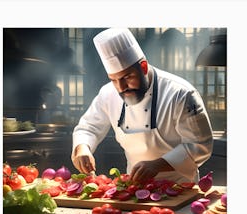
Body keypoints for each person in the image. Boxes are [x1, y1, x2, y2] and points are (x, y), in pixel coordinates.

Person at [71, 28, 213, 184]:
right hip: (134, 187)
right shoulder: (108, 93)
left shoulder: (181, 94)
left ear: (143, 67)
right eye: (114, 79)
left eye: (128, 77)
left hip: (179, 186)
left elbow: (200, 145)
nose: (122, 86)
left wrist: (157, 165)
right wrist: (82, 147)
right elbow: (88, 127)